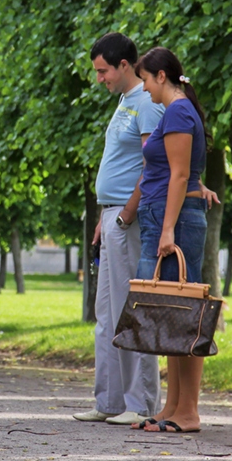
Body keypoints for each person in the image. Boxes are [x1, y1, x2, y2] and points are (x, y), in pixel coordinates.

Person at [73, 33, 165, 426]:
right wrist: (104, 216)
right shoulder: (125, 103)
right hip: (111, 218)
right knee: (106, 313)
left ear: (124, 65)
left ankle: (140, 403)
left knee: (133, 310)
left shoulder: (146, 103)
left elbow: (151, 166)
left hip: (128, 220)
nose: (100, 79)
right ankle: (108, 401)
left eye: (103, 71)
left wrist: (125, 214)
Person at [133, 46, 211, 434]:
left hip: (173, 222)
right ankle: (173, 406)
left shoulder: (178, 110)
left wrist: (167, 230)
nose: (144, 87)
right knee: (170, 314)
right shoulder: (176, 111)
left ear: (161, 76)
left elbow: (180, 175)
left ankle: (189, 412)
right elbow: (183, 172)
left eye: (145, 79)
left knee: (184, 314)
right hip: (167, 216)